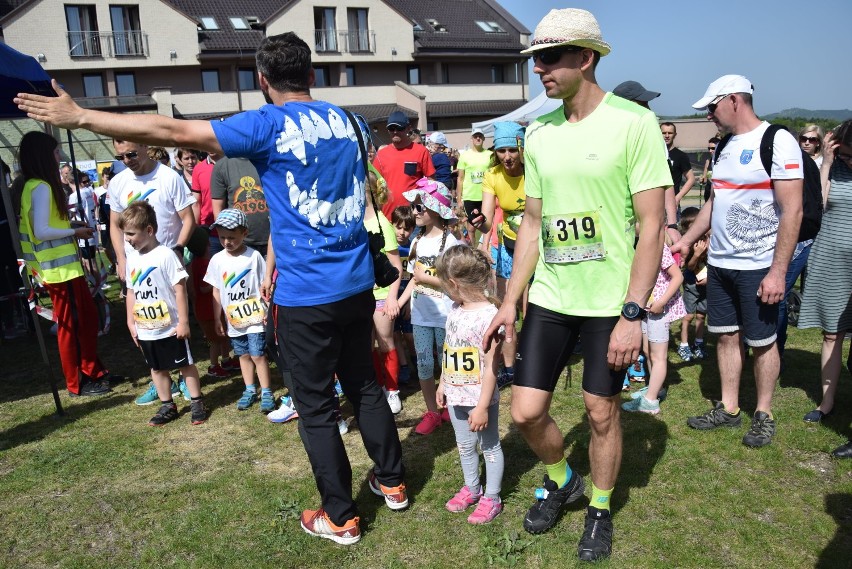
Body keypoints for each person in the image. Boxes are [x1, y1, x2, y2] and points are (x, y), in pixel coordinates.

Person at [16, 31, 408, 544]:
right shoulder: (352, 122)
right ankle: (394, 482)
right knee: (364, 386)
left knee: (314, 408)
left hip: (306, 293)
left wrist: (83, 117)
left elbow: (170, 128)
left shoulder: (267, 122)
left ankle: (341, 516)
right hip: (355, 281)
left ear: (263, 81)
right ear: (313, 75)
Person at [482, 9, 669, 562]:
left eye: (549, 58)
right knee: (524, 412)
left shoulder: (633, 123)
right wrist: (509, 302)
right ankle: (564, 479)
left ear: (585, 58)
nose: (538, 69)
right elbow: (534, 226)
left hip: (609, 302)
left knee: (601, 411)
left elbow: (653, 226)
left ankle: (600, 507)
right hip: (552, 296)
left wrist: (632, 314)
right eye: (534, 59)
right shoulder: (539, 135)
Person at [675, 74, 803, 448]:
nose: (709, 116)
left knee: (763, 341)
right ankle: (729, 409)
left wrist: (778, 272)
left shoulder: (777, 141)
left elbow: (792, 210)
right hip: (721, 263)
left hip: (760, 265)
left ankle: (763, 414)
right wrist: (686, 239)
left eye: (712, 107)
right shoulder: (725, 145)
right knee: (726, 337)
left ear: (734, 100)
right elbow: (715, 202)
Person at [17, 131, 114, 396]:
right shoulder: (41, 187)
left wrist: (71, 226)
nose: (60, 158)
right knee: (71, 328)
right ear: (43, 156)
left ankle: (93, 371)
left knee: (86, 319)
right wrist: (74, 232)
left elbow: (45, 226)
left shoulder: (34, 185)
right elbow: (41, 231)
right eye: (56, 153)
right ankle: (77, 382)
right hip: (58, 272)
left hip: (63, 270)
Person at [105, 139, 198, 405]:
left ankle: (183, 378)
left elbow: (188, 218)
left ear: (145, 146)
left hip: (165, 261)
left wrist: (178, 248)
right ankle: (159, 381)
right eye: (121, 156)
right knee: (147, 324)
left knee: (173, 323)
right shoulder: (118, 182)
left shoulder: (169, 177)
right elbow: (114, 224)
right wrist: (121, 259)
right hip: (135, 266)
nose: (127, 160)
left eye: (131, 153)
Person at [119, 201, 206, 426]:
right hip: (146, 327)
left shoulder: (166, 255)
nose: (126, 239)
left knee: (184, 364)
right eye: (124, 234)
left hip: (171, 326)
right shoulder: (132, 259)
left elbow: (179, 289)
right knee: (156, 367)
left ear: (149, 230)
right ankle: (167, 404)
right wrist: (130, 321)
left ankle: (197, 401)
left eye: (130, 233)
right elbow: (131, 291)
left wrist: (184, 322)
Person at [435, 244, 505, 525]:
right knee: (464, 446)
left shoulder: (490, 317)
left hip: (479, 399)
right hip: (455, 396)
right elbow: (449, 349)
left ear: (453, 283)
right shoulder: (454, 309)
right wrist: (443, 384)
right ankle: (472, 488)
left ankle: (492, 496)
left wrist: (483, 406)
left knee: (489, 447)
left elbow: (491, 368)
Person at [797, 121, 852, 426]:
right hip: (832, 259)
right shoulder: (832, 167)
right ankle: (827, 401)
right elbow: (818, 204)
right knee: (832, 333)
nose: (849, 161)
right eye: (844, 154)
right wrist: (829, 164)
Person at [398, 178, 460, 435]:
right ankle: (432, 412)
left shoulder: (453, 243)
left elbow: (454, 284)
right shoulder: (416, 242)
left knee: (449, 365)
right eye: (414, 207)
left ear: (436, 209)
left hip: (445, 315)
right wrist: (398, 302)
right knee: (424, 364)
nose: (415, 212)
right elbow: (413, 277)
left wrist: (426, 278)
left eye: (420, 207)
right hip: (421, 316)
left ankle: (452, 407)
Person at [469, 121, 527, 388]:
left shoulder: (535, 172)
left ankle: (535, 357)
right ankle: (510, 367)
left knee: (534, 305)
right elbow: (488, 220)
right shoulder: (492, 174)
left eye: (511, 150)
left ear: (522, 148)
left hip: (539, 242)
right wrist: (479, 222)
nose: (507, 157)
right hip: (507, 245)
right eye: (501, 151)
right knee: (507, 305)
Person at [204, 209, 274, 413]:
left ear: (244, 233)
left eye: (232, 237)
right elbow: (216, 290)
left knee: (258, 354)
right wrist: (217, 317)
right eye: (222, 237)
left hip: (255, 318)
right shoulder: (217, 260)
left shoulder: (254, 257)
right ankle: (250, 389)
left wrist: (267, 311)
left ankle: (267, 391)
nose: (227, 241)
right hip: (234, 320)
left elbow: (264, 286)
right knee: (242, 355)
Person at [622, 242, 685, 414]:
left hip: (659, 310)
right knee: (648, 350)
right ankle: (655, 389)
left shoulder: (658, 247)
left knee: (658, 356)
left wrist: (661, 302)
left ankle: (650, 402)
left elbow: (678, 277)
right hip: (646, 308)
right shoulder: (637, 245)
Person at [364, 171, 404, 414]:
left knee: (385, 341)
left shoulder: (382, 223)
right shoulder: (351, 222)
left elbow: (396, 265)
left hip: (380, 296)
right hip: (358, 296)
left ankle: (392, 391)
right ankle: (376, 387)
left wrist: (391, 297)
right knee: (365, 345)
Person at [373, 111, 435, 218]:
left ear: (408, 128)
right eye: (391, 129)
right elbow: (374, 185)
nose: (395, 132)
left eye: (399, 128)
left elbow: (432, 182)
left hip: (413, 215)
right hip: (388, 216)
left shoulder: (421, 151)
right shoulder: (381, 154)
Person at [676, 207, 708, 362]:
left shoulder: (709, 241)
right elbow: (689, 267)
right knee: (688, 315)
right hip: (691, 284)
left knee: (702, 315)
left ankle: (699, 343)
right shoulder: (688, 246)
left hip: (706, 285)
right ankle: (683, 345)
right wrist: (696, 254)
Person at [457, 128, 493, 244]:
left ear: (483, 138)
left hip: (486, 195)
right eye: (475, 136)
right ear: (472, 139)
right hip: (470, 196)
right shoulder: (464, 156)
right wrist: (459, 199)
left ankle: (485, 247)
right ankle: (473, 250)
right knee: (471, 227)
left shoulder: (490, 155)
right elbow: (460, 178)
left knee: (486, 225)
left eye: (480, 136)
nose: (478, 138)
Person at [661, 122, 696, 213]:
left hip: (671, 205)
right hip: (654, 203)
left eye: (670, 133)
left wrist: (677, 198)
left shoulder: (681, 156)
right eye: (664, 133)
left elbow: (691, 179)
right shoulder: (653, 154)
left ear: (675, 135)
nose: (667, 136)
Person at [700, 137, 720, 203]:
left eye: (713, 148)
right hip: (708, 192)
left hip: (719, 193)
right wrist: (702, 180)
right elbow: (705, 179)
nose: (710, 151)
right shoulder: (708, 161)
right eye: (709, 148)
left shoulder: (723, 161)